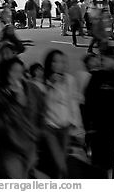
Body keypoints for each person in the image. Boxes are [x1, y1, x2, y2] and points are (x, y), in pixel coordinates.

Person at [0, 57, 45, 178]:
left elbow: (41, 111)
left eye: (21, 71)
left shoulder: (32, 89)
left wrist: (38, 131)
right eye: (14, 71)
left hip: (30, 143)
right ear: (6, 73)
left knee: (27, 171)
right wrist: (16, 104)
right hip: (9, 147)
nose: (18, 75)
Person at [84, 52, 114, 178]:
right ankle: (108, 174)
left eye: (105, 59)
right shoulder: (97, 76)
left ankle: (111, 169)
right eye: (101, 60)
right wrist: (89, 122)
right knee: (106, 152)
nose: (102, 62)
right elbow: (89, 98)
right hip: (102, 121)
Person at [42, 50, 80, 178]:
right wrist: (50, 84)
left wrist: (75, 121)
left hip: (65, 125)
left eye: (63, 61)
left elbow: (73, 100)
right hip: (49, 127)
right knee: (60, 161)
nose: (61, 64)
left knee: (62, 157)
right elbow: (41, 103)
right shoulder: (43, 80)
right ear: (50, 64)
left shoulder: (70, 80)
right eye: (56, 61)